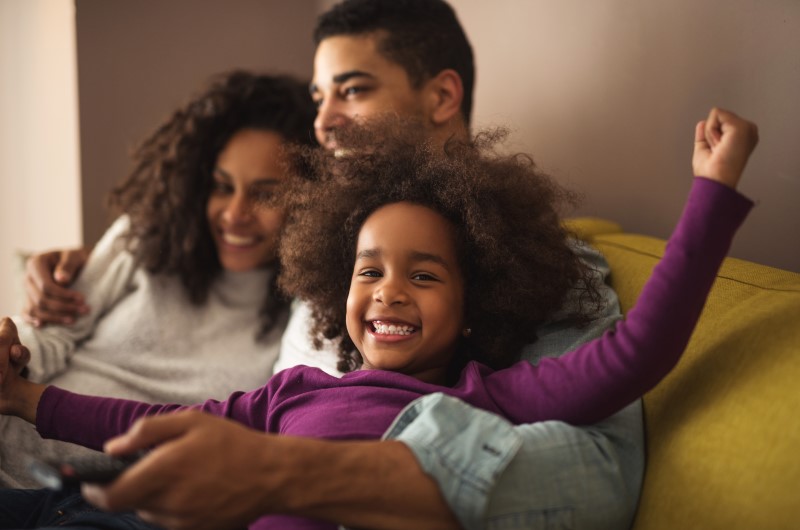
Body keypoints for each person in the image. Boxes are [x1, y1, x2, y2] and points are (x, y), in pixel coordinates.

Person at [16, 1, 646, 529]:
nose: (323, 122)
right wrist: (78, 276)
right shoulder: (326, 249)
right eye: (320, 97)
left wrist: (287, 472)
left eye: (352, 89)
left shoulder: (529, 263)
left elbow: (595, 478)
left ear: (443, 95)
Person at [0, 106, 759, 530]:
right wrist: (21, 397)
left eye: (423, 276)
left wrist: (712, 194)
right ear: (338, 287)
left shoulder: (485, 400)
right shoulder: (291, 391)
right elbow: (151, 422)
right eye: (369, 272)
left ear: (474, 308)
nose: (390, 292)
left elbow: (635, 354)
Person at [0, 70, 317, 489]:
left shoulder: (305, 318)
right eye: (221, 187)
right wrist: (12, 355)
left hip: (109, 503)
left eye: (265, 194)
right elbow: (49, 337)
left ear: (312, 200)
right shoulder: (147, 240)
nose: (235, 213)